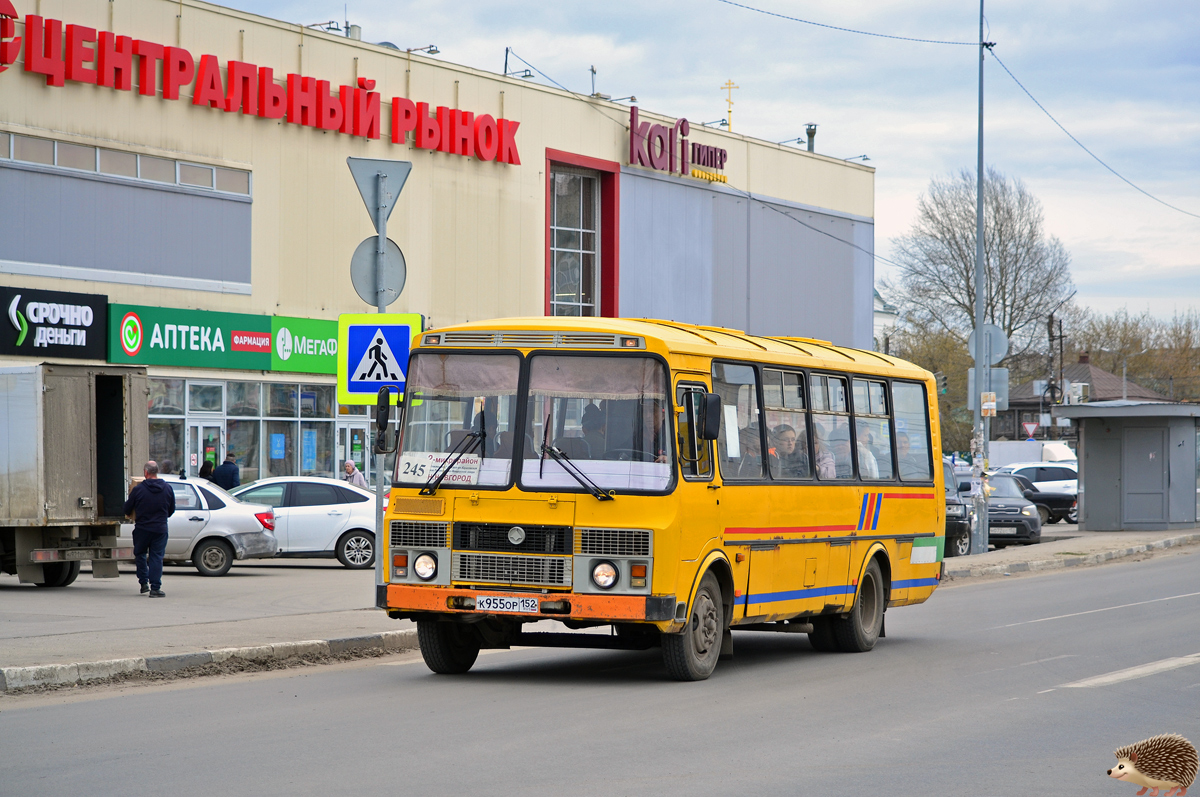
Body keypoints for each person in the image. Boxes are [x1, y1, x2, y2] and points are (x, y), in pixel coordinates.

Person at [123, 461, 175, 597]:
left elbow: (127, 509)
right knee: (156, 557)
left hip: (142, 528)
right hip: (160, 528)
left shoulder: (138, 490)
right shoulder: (167, 488)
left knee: (140, 554)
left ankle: (143, 583)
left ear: (146, 472)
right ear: (156, 471)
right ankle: (155, 588)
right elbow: (171, 509)